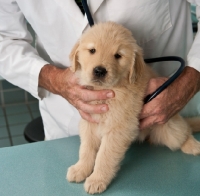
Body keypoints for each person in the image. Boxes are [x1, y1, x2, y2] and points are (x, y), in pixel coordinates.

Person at [0, 0, 200, 140]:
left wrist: (189, 82)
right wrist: (53, 79)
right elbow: (4, 38)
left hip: (164, 114)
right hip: (67, 124)